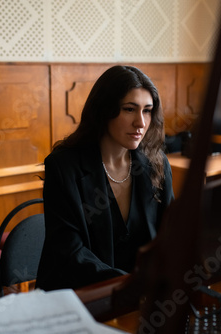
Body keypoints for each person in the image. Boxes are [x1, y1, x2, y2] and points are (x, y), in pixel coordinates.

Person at [36, 65, 174, 291]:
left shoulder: (156, 163)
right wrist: (130, 284)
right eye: (129, 109)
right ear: (104, 110)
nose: (140, 122)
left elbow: (171, 236)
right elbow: (70, 253)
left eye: (147, 110)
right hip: (81, 294)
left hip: (143, 296)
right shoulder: (64, 167)